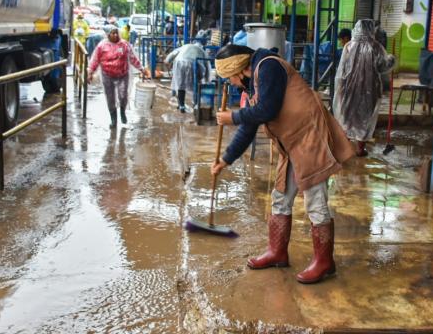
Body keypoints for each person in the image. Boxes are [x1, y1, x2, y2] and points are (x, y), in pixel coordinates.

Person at [211, 44, 355, 284]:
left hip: (309, 137)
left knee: (315, 201)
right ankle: (277, 252)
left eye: (229, 79)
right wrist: (225, 159)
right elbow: (250, 125)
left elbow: (266, 110)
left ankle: (324, 262)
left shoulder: (268, 66)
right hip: (291, 144)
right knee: (280, 197)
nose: (232, 84)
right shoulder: (252, 82)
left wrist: (233, 116)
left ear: (237, 71)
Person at [333, 20, 395, 157]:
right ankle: (360, 149)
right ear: (370, 29)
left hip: (349, 88)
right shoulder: (376, 47)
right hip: (369, 89)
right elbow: (383, 67)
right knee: (365, 118)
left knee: (347, 116)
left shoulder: (348, 46)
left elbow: (341, 70)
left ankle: (345, 147)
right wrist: (391, 60)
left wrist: (340, 88)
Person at [87, 27, 144, 128]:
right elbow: (95, 60)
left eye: (116, 33)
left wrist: (141, 69)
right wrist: (90, 72)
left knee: (123, 95)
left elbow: (132, 57)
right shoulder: (102, 46)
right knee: (110, 98)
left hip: (122, 74)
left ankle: (122, 111)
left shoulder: (124, 44)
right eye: (112, 33)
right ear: (108, 35)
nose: (115, 35)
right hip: (107, 75)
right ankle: (113, 119)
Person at [165, 40, 209, 112]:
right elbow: (206, 66)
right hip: (192, 64)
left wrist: (167, 60)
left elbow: (173, 53)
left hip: (179, 62)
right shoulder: (202, 51)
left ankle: (181, 106)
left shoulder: (186, 46)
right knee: (196, 85)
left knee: (180, 84)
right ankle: (195, 105)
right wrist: (205, 79)